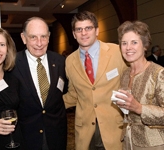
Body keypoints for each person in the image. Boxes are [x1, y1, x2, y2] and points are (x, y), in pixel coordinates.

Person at [63, 11, 127, 150]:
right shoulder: (69, 61)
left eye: (88, 28)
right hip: (85, 129)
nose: (83, 33)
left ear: (97, 30)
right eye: (79, 29)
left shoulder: (117, 52)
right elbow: (74, 94)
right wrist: (47, 105)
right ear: (74, 34)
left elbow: (131, 81)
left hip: (114, 127)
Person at [11, 17, 68, 150]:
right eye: (33, 37)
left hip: (56, 135)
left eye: (43, 37)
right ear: (23, 38)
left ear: (49, 37)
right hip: (25, 136)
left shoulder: (60, 61)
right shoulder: (12, 64)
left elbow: (66, 91)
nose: (39, 43)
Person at [116, 20, 164, 150]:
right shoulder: (125, 74)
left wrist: (139, 108)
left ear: (145, 46)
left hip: (153, 144)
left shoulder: (158, 73)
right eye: (124, 43)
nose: (128, 47)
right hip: (128, 141)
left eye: (134, 42)